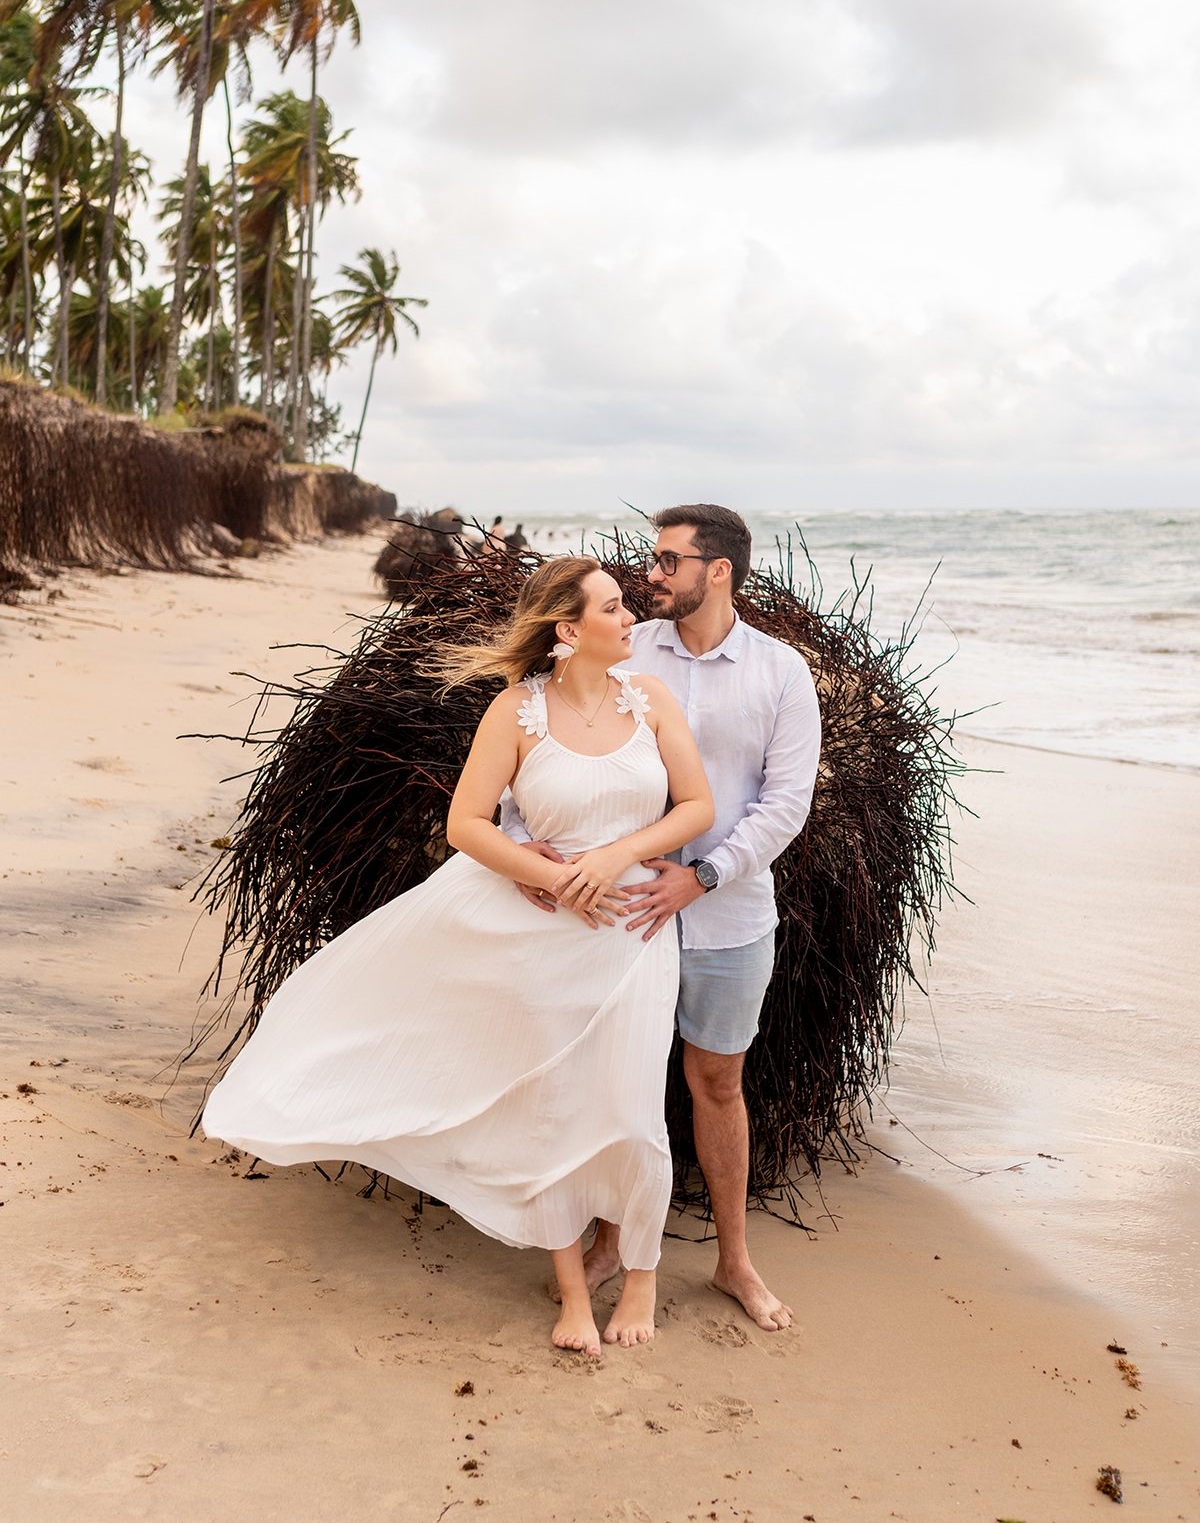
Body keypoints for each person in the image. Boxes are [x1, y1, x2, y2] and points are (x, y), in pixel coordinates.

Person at [202, 556, 714, 1359]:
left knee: (632, 1104)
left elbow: (696, 805)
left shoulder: (652, 700)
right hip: (547, 933)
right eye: (614, 608)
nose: (631, 620)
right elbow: (467, 824)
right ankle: (575, 1291)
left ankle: (642, 1277)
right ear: (568, 631)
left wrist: (616, 857)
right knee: (553, 1104)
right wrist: (547, 873)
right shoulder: (517, 711)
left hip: (636, 930)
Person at [507, 505, 821, 1332]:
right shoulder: (625, 647)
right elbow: (540, 752)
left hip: (729, 913)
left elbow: (786, 805)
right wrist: (523, 845)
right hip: (611, 916)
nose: (651, 574)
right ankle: (613, 1241)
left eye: (668, 560)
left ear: (718, 570)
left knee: (716, 1082)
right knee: (618, 1075)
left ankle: (734, 1260)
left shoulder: (781, 672)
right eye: (652, 560)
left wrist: (705, 875)